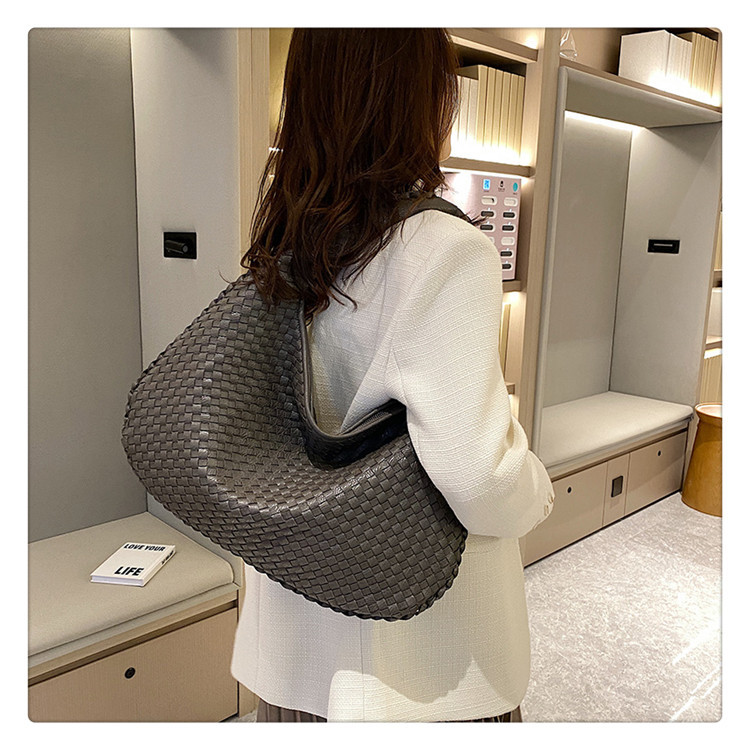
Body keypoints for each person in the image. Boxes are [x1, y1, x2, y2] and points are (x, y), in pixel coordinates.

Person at [230, 28, 555, 723]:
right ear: (422, 97)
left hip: (293, 640)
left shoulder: (286, 239)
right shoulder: (444, 248)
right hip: (418, 663)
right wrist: (538, 492)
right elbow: (479, 476)